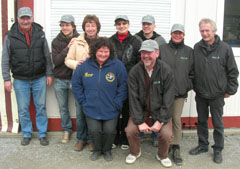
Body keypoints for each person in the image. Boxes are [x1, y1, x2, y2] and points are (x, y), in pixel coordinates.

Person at [189, 18, 239, 164]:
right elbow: (192, 70)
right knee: (202, 121)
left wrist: (231, 89)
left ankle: (218, 149)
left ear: (214, 31)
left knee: (218, 123)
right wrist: (194, 85)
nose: (204, 33)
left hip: (217, 94)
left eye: (207, 30)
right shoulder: (197, 47)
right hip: (201, 94)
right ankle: (203, 145)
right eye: (202, 31)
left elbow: (233, 71)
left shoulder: (225, 48)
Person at [1, 7, 53, 146]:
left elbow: (47, 55)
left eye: (27, 18)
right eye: (22, 18)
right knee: (23, 109)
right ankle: (27, 133)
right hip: (20, 80)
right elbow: (5, 59)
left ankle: (42, 134)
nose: (25, 20)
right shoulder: (10, 36)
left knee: (41, 106)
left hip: (39, 78)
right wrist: (6, 79)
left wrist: (49, 73)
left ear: (32, 18)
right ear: (18, 19)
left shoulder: (40, 33)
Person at [71, 37, 128, 161]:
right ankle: (97, 150)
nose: (103, 54)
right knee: (94, 130)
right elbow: (75, 84)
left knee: (109, 130)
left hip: (111, 107)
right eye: (100, 51)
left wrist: (118, 103)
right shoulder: (84, 65)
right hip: (90, 107)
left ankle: (107, 150)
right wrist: (83, 101)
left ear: (110, 52)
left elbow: (123, 85)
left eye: (106, 51)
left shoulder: (117, 65)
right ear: (94, 51)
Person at [125, 39, 175, 168]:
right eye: (143, 53)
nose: (146, 56)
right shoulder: (134, 72)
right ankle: (135, 152)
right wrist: (139, 121)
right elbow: (133, 98)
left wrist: (161, 121)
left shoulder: (166, 70)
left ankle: (162, 155)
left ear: (157, 53)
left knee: (166, 134)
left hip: (160, 109)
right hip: (141, 109)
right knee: (130, 130)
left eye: (149, 52)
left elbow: (168, 100)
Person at [65, 14, 101, 151]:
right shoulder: (76, 42)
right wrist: (76, 63)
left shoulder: (103, 41)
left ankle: (92, 140)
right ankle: (81, 139)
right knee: (80, 113)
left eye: (93, 25)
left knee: (92, 112)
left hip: (96, 84)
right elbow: (67, 60)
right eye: (88, 26)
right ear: (84, 27)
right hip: (79, 83)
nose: (90, 28)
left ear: (97, 27)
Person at [159, 24, 193, 165]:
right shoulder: (162, 49)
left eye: (180, 33)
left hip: (179, 93)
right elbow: (156, 69)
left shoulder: (189, 51)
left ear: (183, 34)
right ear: (171, 34)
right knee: (163, 118)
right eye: (175, 33)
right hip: (163, 92)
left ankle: (176, 146)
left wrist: (186, 86)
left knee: (176, 119)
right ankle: (163, 144)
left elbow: (193, 73)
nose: (177, 35)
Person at [109, 15, 141, 150]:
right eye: (119, 24)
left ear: (128, 24)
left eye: (124, 23)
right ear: (115, 26)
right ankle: (114, 137)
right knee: (114, 109)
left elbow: (140, 62)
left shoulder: (135, 41)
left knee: (127, 110)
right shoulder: (110, 41)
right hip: (113, 82)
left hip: (129, 82)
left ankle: (124, 137)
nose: (121, 26)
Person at [135, 15, 166, 146]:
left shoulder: (160, 40)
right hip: (140, 76)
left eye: (149, 24)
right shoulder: (136, 38)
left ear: (154, 25)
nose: (146, 26)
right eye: (144, 24)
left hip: (155, 76)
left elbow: (163, 59)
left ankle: (155, 134)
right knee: (141, 104)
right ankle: (140, 133)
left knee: (155, 105)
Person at [51, 15, 79, 143]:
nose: (65, 27)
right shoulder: (56, 41)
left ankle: (82, 133)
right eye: (62, 25)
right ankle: (67, 130)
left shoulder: (80, 39)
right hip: (60, 79)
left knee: (80, 107)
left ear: (73, 26)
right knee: (63, 107)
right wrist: (68, 47)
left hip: (76, 79)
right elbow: (56, 61)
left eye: (67, 25)